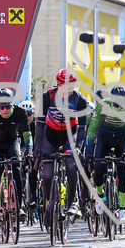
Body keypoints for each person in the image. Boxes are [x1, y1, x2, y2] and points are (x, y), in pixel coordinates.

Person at [38, 69, 89, 222]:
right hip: (50, 136)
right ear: (58, 85)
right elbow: (39, 124)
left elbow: (82, 128)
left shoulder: (80, 100)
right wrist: (38, 147)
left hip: (70, 135)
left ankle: (72, 202)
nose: (68, 90)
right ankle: (49, 204)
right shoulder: (47, 96)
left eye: (71, 86)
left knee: (71, 165)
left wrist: (78, 146)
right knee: (47, 175)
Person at [0, 88, 32, 223]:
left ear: (13, 104)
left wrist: (29, 151)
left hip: (12, 142)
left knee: (17, 168)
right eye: (2, 107)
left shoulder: (21, 113)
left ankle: (19, 206)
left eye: (8, 107)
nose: (5, 110)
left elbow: (27, 135)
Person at [86, 85, 125, 220]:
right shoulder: (103, 105)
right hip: (105, 139)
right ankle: (100, 195)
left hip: (122, 139)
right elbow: (92, 129)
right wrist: (89, 151)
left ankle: (122, 209)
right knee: (98, 168)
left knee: (122, 170)